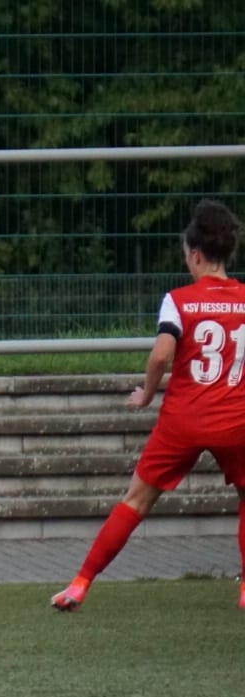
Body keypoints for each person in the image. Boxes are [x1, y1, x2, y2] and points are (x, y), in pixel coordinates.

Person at [51, 199, 245, 613]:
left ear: (195, 254)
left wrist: (146, 392)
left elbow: (161, 355)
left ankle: (80, 584)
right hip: (236, 419)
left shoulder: (178, 300)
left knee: (136, 500)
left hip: (183, 419)